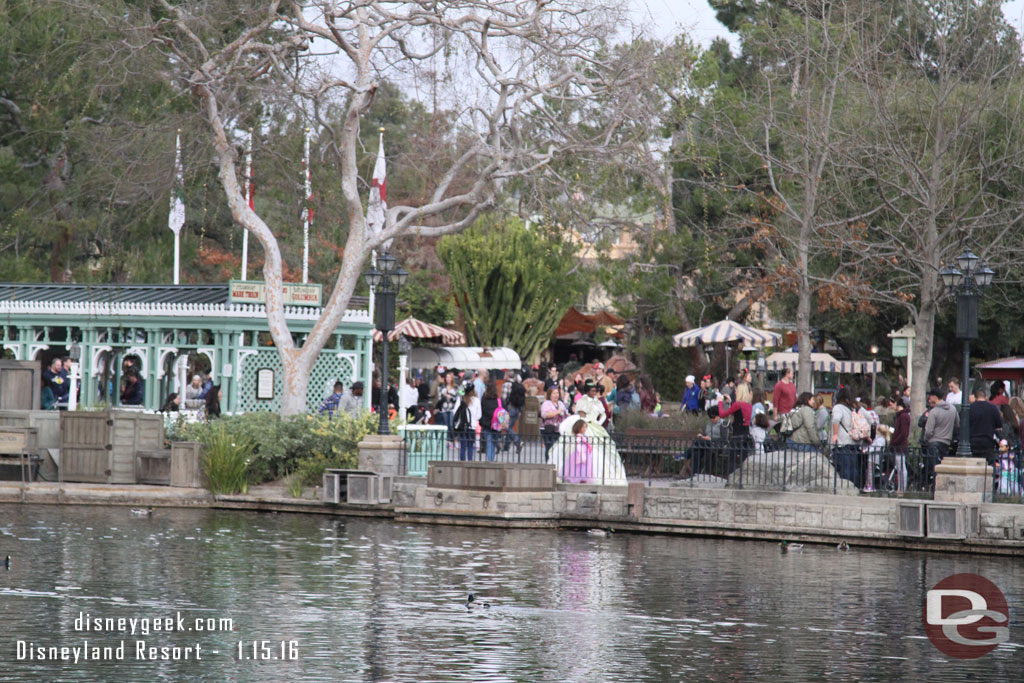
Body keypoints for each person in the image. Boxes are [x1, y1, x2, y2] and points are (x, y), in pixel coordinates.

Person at [922, 389, 959, 483]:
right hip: (946, 443)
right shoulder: (953, 409)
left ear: (935, 397)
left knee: (934, 470)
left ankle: (935, 489)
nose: (929, 400)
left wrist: (925, 439)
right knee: (943, 469)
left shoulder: (934, 411)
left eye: (930, 397)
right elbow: (957, 425)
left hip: (933, 443)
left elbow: (928, 431)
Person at [830, 388, 863, 487]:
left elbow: (836, 419)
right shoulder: (852, 409)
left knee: (845, 468)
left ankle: (845, 488)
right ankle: (854, 487)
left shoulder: (838, 408)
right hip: (853, 442)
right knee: (853, 468)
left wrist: (835, 434)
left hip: (842, 443)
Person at [969, 386, 1002, 464]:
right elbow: (999, 424)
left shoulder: (970, 408)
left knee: (974, 465)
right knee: (988, 466)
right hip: (988, 441)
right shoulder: (993, 408)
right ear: (986, 397)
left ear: (975, 397)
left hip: (973, 441)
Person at [453, 382, 480, 461]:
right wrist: (474, 419)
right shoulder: (476, 400)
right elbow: (479, 415)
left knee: (463, 445)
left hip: (462, 425)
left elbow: (455, 411)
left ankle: (462, 462)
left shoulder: (461, 399)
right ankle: (470, 461)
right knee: (470, 445)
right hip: (472, 425)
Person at [540, 386, 568, 457]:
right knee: (549, 447)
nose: (556, 395)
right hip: (549, 428)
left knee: (558, 448)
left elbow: (565, 413)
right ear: (550, 395)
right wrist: (557, 412)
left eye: (557, 393)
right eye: (554, 393)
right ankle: (548, 463)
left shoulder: (560, 403)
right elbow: (544, 415)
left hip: (559, 429)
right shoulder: (546, 403)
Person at [502, 373, 526, 455]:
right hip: (517, 409)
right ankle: (506, 446)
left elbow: (504, 398)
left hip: (510, 408)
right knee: (510, 427)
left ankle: (518, 441)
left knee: (507, 427)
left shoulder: (506, 384)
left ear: (508, 376)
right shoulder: (519, 385)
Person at [563, 419, 592, 483]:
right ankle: (578, 477)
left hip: (585, 451)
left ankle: (583, 477)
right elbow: (578, 444)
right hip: (580, 452)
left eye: (585, 427)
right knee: (578, 466)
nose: (585, 429)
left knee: (584, 466)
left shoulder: (583, 436)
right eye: (583, 427)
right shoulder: (579, 436)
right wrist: (581, 452)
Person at [479, 381, 501, 462]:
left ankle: (489, 460)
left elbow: (481, 411)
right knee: (493, 442)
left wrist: (481, 422)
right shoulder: (498, 400)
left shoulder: (484, 400)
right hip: (496, 425)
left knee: (489, 441)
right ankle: (491, 458)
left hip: (486, 424)